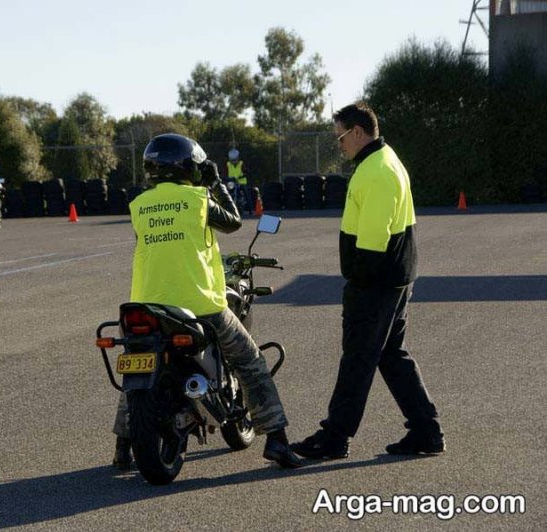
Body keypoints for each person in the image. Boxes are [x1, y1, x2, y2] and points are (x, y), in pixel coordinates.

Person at [112, 133, 302, 470]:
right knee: (251, 363)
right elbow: (233, 221)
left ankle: (123, 446)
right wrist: (216, 183)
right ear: (190, 167)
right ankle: (276, 439)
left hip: (147, 305)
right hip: (200, 305)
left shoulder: (139, 206)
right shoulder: (197, 200)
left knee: (138, 362)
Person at [291, 103, 444, 460]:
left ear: (358, 132)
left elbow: (373, 243)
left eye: (341, 137)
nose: (339, 144)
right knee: (391, 355)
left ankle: (335, 437)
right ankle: (426, 430)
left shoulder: (375, 172)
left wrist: (357, 282)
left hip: (375, 283)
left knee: (358, 359)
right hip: (394, 277)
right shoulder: (386, 159)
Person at [226, 148, 249, 214]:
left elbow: (246, 171)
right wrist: (225, 178)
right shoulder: (228, 164)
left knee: (247, 194)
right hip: (231, 183)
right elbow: (224, 172)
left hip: (241, 182)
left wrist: (243, 175)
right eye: (232, 160)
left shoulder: (241, 164)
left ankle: (250, 210)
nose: (233, 161)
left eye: (234, 160)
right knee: (226, 192)